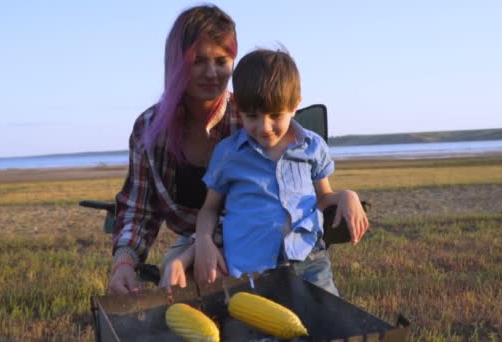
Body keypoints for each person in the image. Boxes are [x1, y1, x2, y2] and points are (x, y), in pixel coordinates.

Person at [109, 4, 369, 295]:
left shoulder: (251, 115)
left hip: (251, 244)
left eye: (221, 61)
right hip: (211, 244)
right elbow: (138, 208)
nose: (211, 73)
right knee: (178, 286)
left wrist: (192, 250)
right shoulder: (151, 128)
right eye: (198, 61)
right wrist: (125, 263)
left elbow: (298, 198)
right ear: (177, 62)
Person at [164, 48, 369, 296]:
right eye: (252, 116)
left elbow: (324, 198)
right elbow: (210, 208)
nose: (264, 127)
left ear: (295, 106)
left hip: (309, 261)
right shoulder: (229, 153)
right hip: (249, 270)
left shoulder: (312, 147)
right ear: (238, 106)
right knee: (252, 332)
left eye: (275, 116)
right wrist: (205, 242)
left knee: (327, 325)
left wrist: (347, 196)